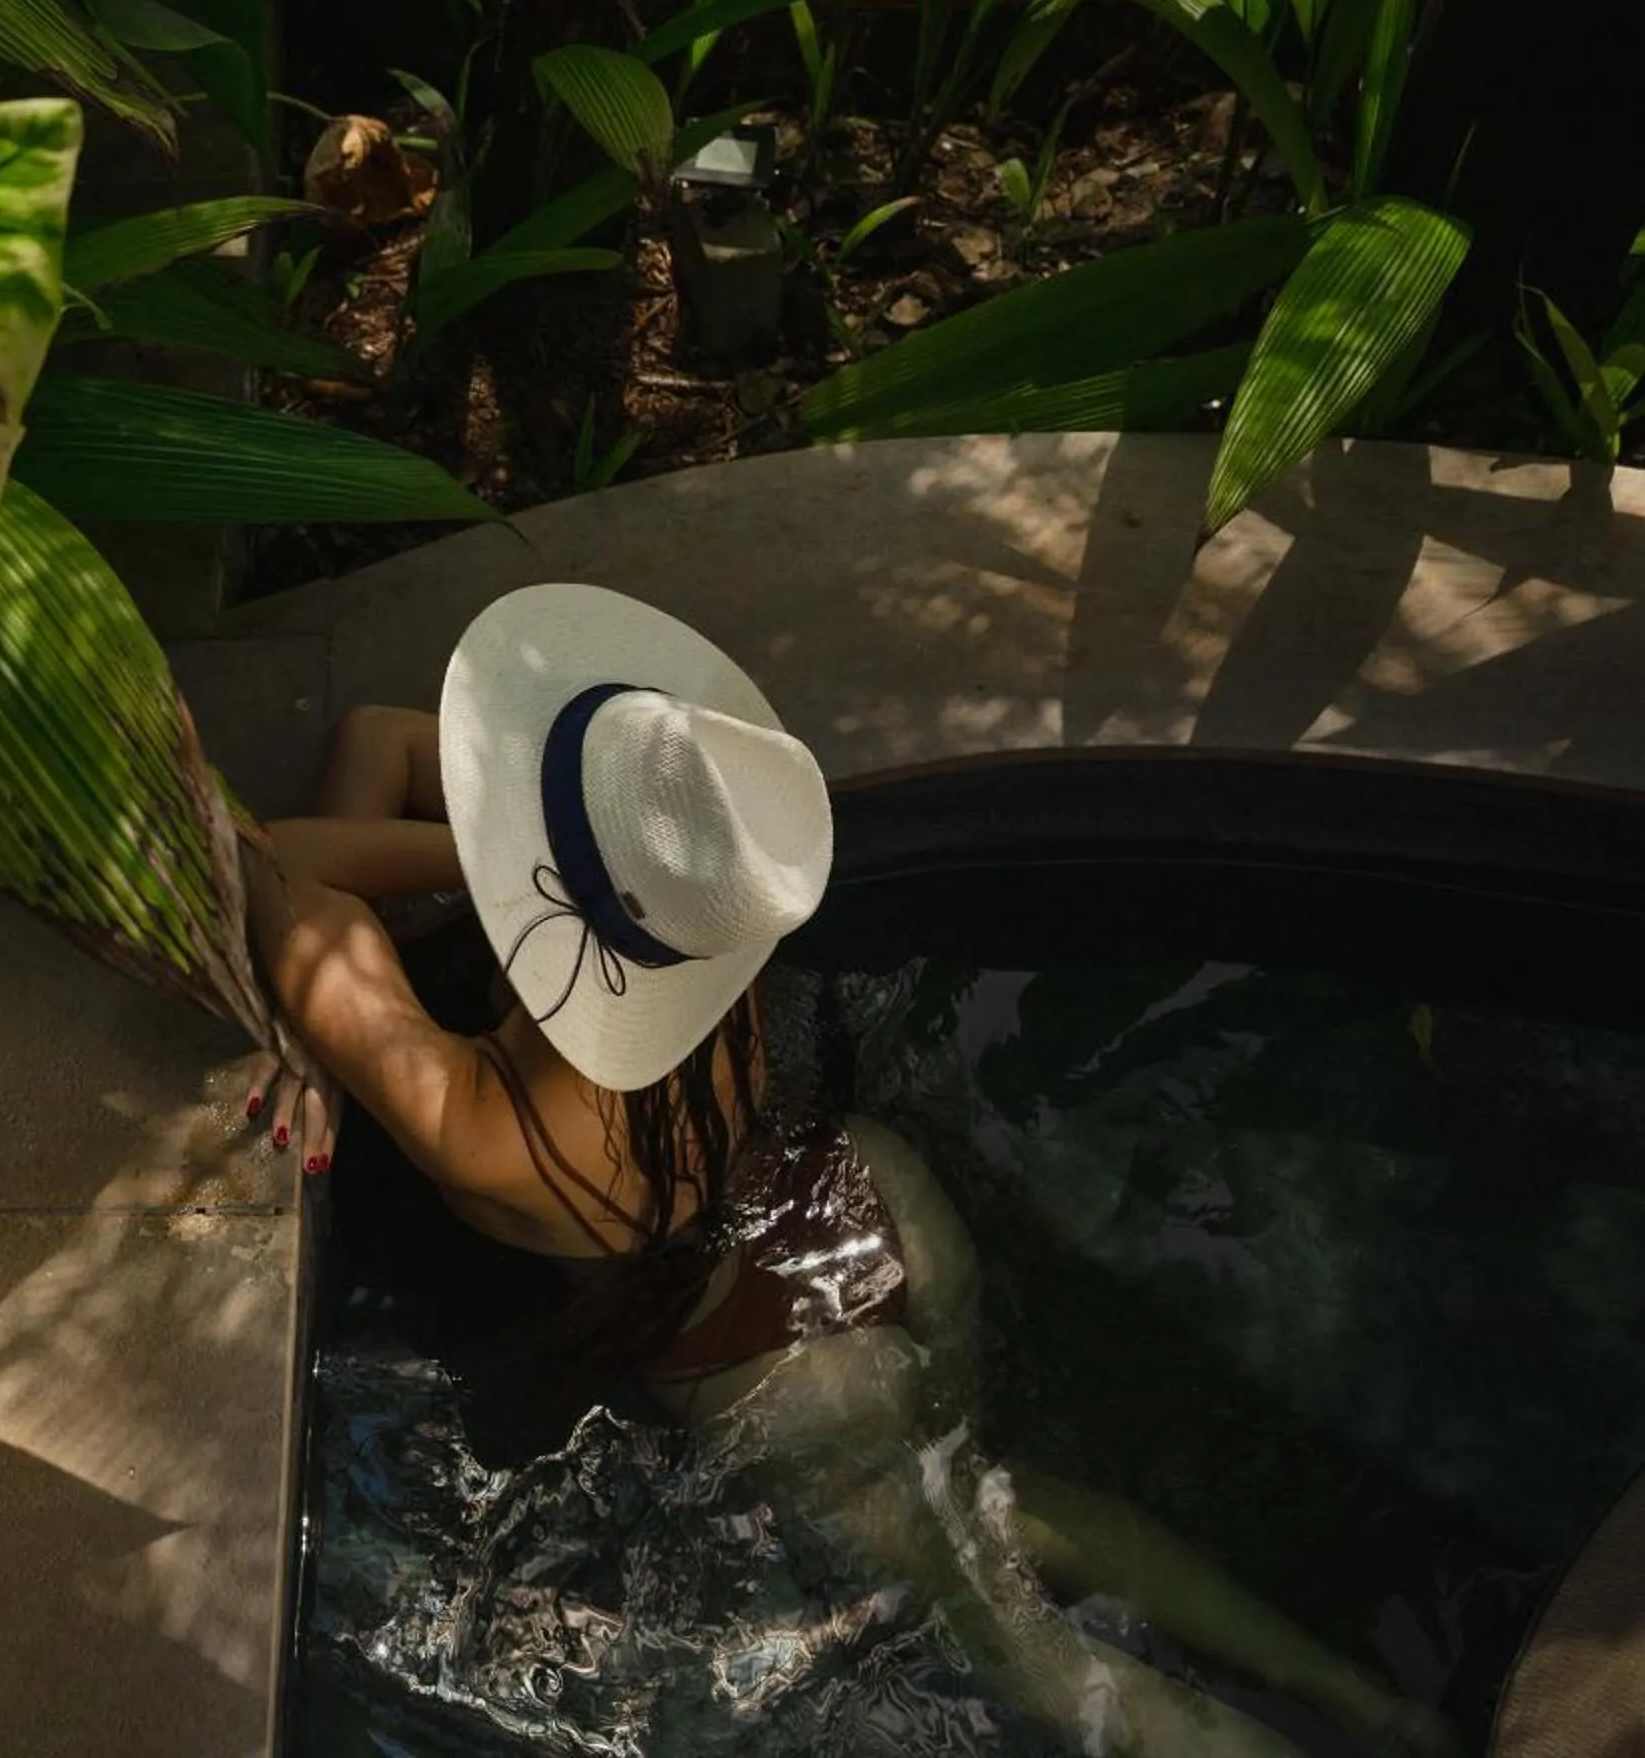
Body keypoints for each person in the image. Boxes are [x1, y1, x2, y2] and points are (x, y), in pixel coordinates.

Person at [236, 584, 1445, 1758]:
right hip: (873, 1194)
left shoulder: (472, 1121)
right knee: (997, 1496)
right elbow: (378, 739)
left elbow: (271, 862)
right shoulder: (707, 949)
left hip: (781, 1370)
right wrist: (554, 878)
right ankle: (1366, 1699)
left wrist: (485, 891)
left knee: (1014, 1641)